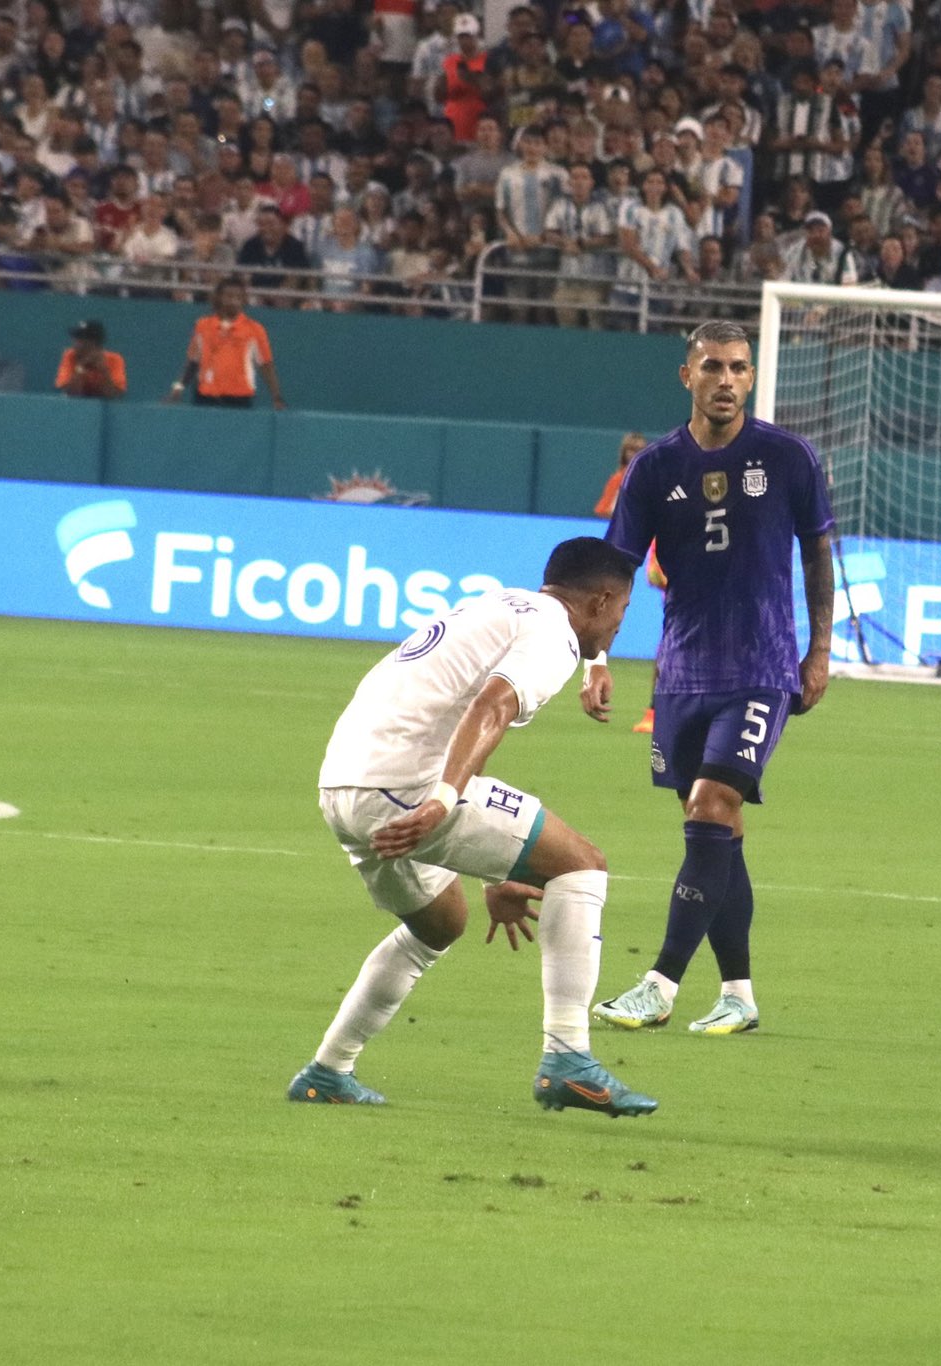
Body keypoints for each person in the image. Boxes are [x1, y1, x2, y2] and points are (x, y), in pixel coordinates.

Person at [289, 536, 657, 1118]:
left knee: (439, 922)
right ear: (600, 601)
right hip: (404, 786)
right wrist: (440, 802)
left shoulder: (496, 606)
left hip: (341, 784)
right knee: (582, 864)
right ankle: (567, 1057)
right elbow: (492, 708)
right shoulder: (555, 634)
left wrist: (493, 868)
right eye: (622, 613)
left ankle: (327, 1071)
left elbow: (463, 721)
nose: (616, 630)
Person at [584, 321, 836, 1037]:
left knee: (710, 805)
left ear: (751, 378)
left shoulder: (787, 457)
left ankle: (659, 984)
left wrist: (818, 652)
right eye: (713, 367)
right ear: (686, 376)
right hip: (684, 672)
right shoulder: (655, 467)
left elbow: (818, 553)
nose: (727, 380)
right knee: (717, 831)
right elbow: (614, 574)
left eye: (738, 368)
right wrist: (596, 660)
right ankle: (740, 995)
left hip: (760, 667)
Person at [592, 432, 665, 736]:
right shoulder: (621, 479)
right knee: (671, 642)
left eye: (640, 449)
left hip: (670, 557)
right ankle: (655, 712)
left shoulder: (655, 478)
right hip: (649, 558)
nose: (635, 454)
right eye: (630, 450)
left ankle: (664, 713)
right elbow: (603, 510)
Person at [165, 278, 286, 410]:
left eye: (238, 297)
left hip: (239, 399)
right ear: (219, 297)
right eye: (229, 296)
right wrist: (178, 387)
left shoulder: (255, 330)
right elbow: (193, 362)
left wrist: (276, 397)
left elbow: (266, 365)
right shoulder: (202, 326)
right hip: (205, 397)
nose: (234, 301)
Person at [55, 320, 127, 399]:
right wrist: (81, 366)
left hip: (102, 410)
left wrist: (103, 370)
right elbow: (71, 394)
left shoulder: (114, 359)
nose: (75, 342)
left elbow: (113, 396)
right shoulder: (70, 356)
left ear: (93, 343)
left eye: (80, 339)